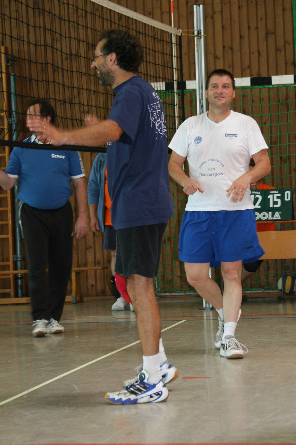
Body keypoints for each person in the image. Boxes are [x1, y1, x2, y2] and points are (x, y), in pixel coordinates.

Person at [26, 29, 177, 405]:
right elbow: (120, 136)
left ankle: (152, 380)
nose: (93, 64)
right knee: (134, 284)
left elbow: (114, 129)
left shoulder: (130, 92)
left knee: (140, 285)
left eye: (96, 56)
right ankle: (158, 363)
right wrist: (100, 129)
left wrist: (63, 136)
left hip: (140, 203)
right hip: (140, 202)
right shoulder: (143, 92)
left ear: (112, 58)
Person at [168, 69, 270, 359]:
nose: (220, 90)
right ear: (206, 92)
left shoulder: (246, 124)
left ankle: (229, 337)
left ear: (233, 93)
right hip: (199, 211)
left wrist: (246, 177)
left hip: (236, 211)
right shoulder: (190, 125)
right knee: (195, 275)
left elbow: (264, 163)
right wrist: (184, 181)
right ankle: (227, 313)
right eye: (214, 86)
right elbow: (173, 164)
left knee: (231, 272)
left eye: (225, 86)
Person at [0, 99, 88, 337]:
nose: (28, 120)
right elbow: (8, 184)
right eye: (27, 116)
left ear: (47, 119)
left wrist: (83, 216)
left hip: (62, 212)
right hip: (31, 213)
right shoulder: (21, 148)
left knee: (61, 267)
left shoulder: (66, 145)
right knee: (37, 266)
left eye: (33, 115)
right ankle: (40, 319)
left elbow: (79, 183)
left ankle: (53, 318)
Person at [87, 152, 133, 311]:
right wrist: (93, 215)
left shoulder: (131, 154)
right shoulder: (101, 159)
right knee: (115, 255)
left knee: (131, 256)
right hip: (109, 217)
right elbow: (93, 187)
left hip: (130, 216)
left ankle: (135, 295)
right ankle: (122, 296)